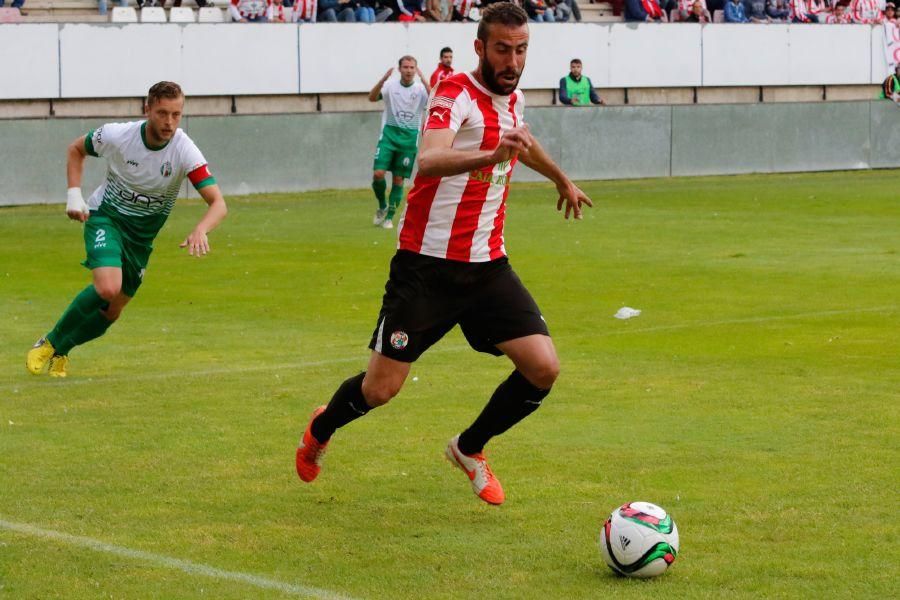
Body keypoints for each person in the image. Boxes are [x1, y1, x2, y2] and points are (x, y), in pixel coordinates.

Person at [295, 2, 592, 506]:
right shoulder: (453, 93)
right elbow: (428, 161)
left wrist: (560, 177)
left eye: (521, 50)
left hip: (487, 267)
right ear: (480, 47)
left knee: (543, 368)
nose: (513, 60)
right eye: (503, 49)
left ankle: (469, 448)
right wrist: (491, 154)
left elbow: (521, 140)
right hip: (426, 268)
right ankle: (322, 426)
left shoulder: (514, 97)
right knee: (381, 389)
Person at [26, 82, 227, 379]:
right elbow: (76, 149)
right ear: (147, 109)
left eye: (176, 114)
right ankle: (49, 341)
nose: (169, 122)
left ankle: (63, 350)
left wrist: (201, 229)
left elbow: (218, 203)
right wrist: (73, 195)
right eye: (162, 113)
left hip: (141, 239)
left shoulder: (184, 149)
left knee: (112, 310)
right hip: (107, 217)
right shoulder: (118, 135)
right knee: (109, 287)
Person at [369, 57, 431, 229]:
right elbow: (372, 98)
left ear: (416, 70)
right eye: (405, 67)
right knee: (378, 174)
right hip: (388, 136)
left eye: (412, 67)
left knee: (398, 179)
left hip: (408, 140)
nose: (409, 70)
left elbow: (434, 100)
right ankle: (382, 205)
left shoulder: (420, 89)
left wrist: (425, 80)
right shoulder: (390, 87)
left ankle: (389, 217)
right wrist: (382, 80)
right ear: (399, 69)